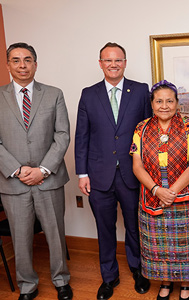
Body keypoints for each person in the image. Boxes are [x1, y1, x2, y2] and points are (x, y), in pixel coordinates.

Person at [74, 42, 152, 300]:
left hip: (133, 173)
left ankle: (139, 270)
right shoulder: (88, 94)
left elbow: (147, 133)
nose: (113, 64)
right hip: (98, 175)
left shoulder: (140, 91)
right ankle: (109, 277)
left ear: (125, 63)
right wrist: (82, 173)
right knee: (104, 228)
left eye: (118, 60)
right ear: (100, 64)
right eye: (108, 60)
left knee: (134, 226)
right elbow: (82, 135)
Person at [130, 80, 189, 300]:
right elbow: (137, 166)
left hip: (184, 196)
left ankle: (186, 284)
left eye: (169, 101)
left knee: (185, 244)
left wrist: (171, 192)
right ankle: (165, 282)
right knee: (160, 245)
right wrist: (158, 190)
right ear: (152, 104)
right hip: (152, 196)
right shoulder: (141, 128)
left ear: (177, 103)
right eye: (159, 101)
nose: (164, 106)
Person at [0, 42, 72, 300]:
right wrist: (17, 170)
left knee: (55, 233)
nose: (22, 65)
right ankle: (27, 285)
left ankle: (61, 281)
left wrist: (43, 169)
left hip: (48, 180)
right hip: (13, 183)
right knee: (20, 238)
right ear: (8, 65)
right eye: (16, 60)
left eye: (27, 60)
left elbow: (62, 135)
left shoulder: (53, 94)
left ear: (35, 64)